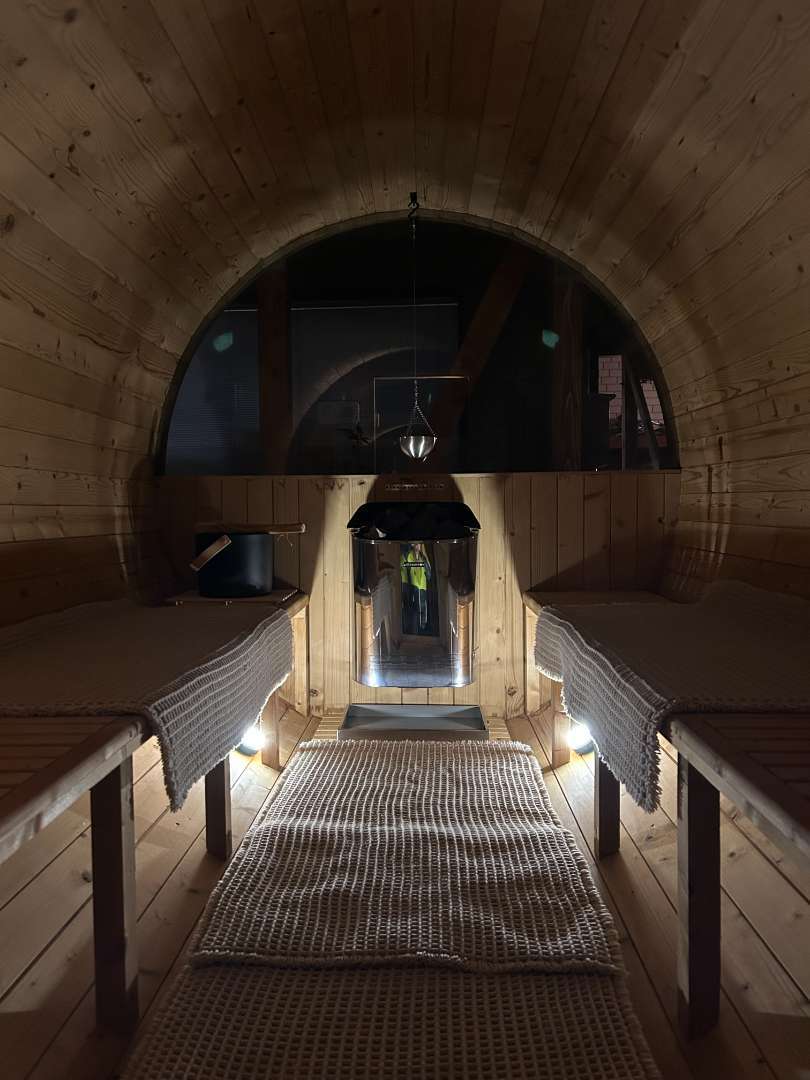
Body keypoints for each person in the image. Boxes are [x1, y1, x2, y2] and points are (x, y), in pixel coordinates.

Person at [400, 542, 431, 633]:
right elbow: (403, 568)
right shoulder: (406, 555)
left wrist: (425, 563)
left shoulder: (423, 558)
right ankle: (411, 629)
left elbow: (429, 575)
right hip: (410, 586)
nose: (418, 545)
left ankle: (422, 629)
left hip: (422, 586)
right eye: (415, 543)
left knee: (422, 608)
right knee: (411, 609)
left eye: (419, 544)